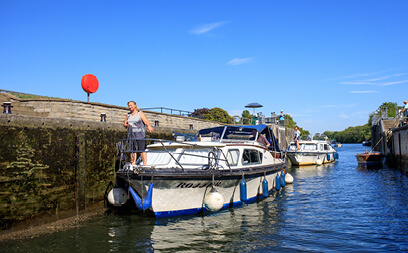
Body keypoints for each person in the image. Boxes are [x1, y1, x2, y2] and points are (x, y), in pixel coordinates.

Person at [124, 101, 154, 165]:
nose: (130, 107)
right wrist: (128, 125)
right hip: (131, 136)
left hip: (140, 135)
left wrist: (149, 126)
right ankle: (133, 164)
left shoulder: (140, 113)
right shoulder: (128, 115)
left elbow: (146, 121)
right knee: (132, 151)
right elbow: (125, 124)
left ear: (135, 105)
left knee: (141, 150)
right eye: (129, 105)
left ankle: (145, 164)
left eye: (131, 105)